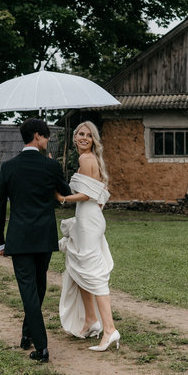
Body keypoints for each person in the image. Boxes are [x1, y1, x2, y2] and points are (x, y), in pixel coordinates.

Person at [0, 118, 71, 363]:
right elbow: (66, 193)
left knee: (31, 290)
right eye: (46, 137)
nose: (47, 141)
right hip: (44, 237)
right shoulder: (51, 166)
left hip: (20, 237)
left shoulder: (8, 167)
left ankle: (35, 340)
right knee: (38, 287)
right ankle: (37, 342)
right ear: (37, 136)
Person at [56, 121, 120, 352]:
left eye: (89, 135)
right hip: (90, 218)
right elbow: (100, 194)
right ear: (74, 137)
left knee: (92, 271)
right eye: (81, 134)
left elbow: (85, 195)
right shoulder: (93, 160)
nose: (84, 138)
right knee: (78, 267)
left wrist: (62, 197)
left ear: (94, 140)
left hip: (88, 220)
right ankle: (91, 320)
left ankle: (110, 329)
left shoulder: (85, 159)